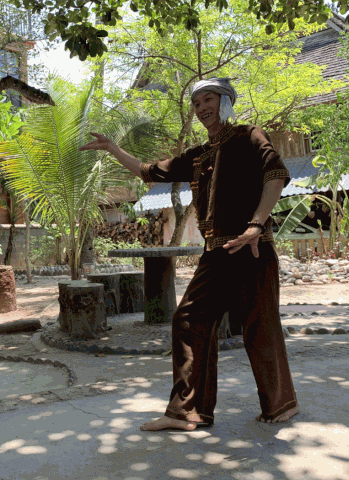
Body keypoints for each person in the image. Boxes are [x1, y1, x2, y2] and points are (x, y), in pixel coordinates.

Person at [80, 78, 299, 431]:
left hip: (252, 249)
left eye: (208, 99)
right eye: (196, 104)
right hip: (215, 255)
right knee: (187, 320)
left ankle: (281, 405)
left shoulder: (249, 135)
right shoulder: (197, 155)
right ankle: (186, 412)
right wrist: (112, 148)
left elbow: (276, 173)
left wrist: (256, 224)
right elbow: (147, 171)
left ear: (225, 100)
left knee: (260, 327)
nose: (201, 109)